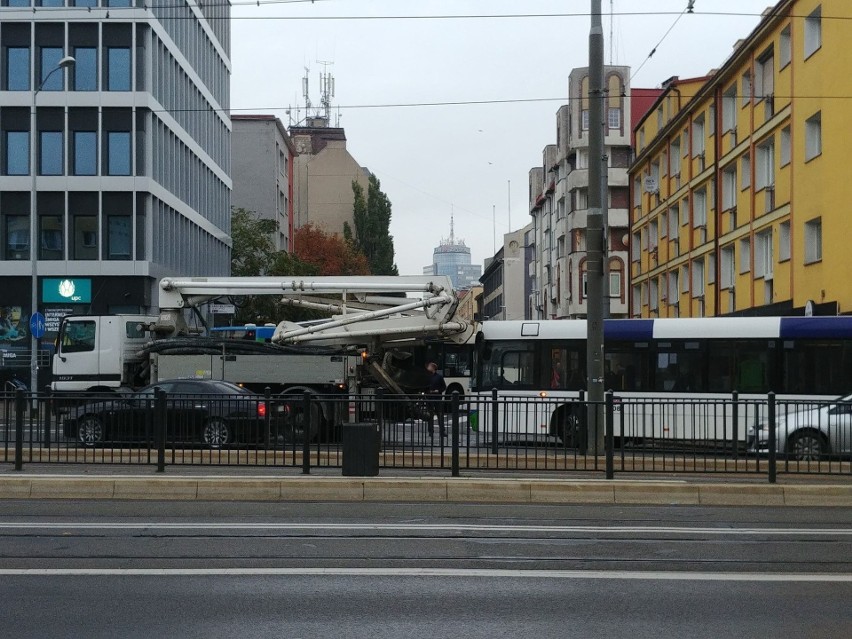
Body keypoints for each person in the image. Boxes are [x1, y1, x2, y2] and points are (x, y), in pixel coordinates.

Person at [426, 362, 447, 439]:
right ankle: (430, 432)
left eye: (429, 367)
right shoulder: (427, 377)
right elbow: (425, 388)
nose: (428, 368)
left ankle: (442, 431)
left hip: (437, 398)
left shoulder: (439, 377)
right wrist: (428, 392)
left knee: (440, 415)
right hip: (430, 398)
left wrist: (438, 391)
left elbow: (444, 387)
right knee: (430, 416)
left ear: (433, 368)